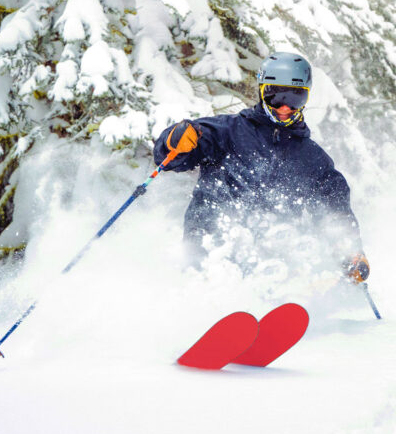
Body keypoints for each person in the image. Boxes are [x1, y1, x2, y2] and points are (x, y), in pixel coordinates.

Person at [153, 51, 370, 284]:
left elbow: (335, 211)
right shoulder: (226, 132)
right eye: (275, 97)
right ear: (262, 91)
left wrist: (351, 251)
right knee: (215, 274)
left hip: (273, 259)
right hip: (210, 248)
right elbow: (171, 158)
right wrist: (174, 141)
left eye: (295, 97)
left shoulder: (312, 158)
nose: (284, 107)